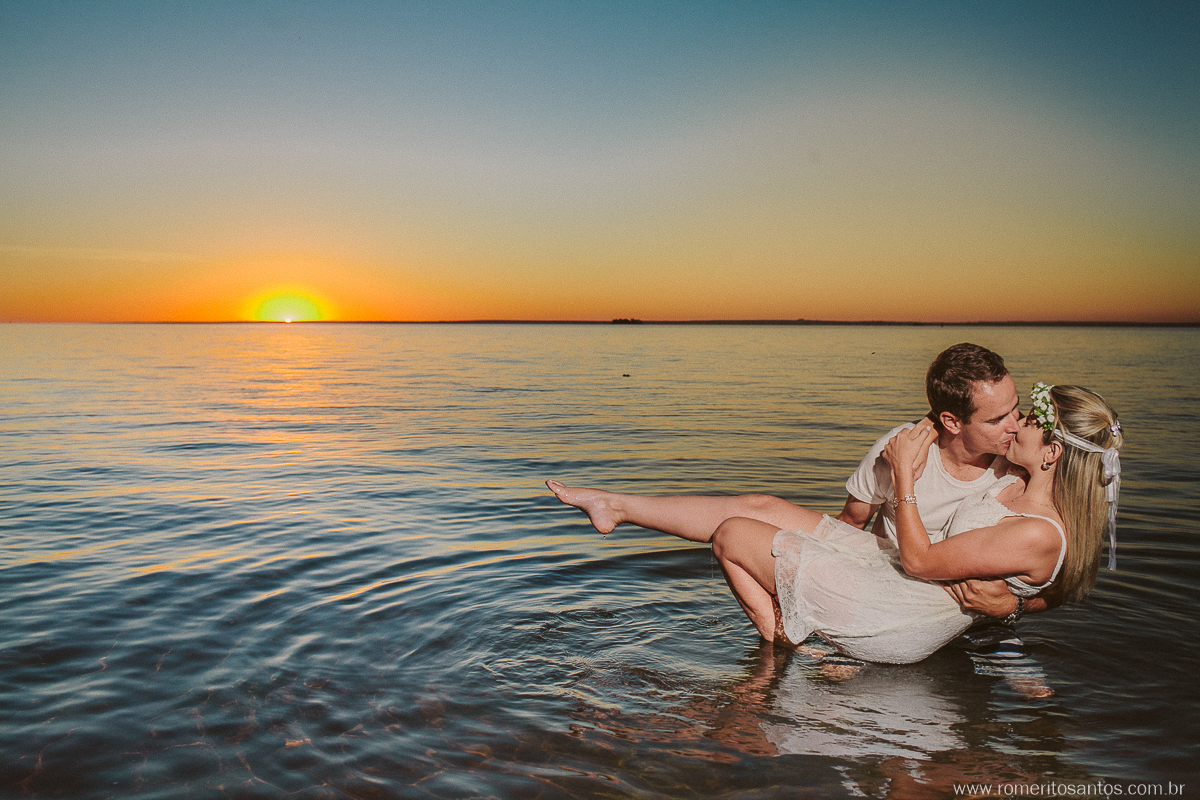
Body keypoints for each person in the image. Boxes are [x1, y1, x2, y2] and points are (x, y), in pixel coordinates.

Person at [548, 343, 1042, 621]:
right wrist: (827, 580)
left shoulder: (1020, 464)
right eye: (999, 418)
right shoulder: (902, 448)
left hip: (959, 610)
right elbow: (852, 521)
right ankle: (616, 505)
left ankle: (785, 635)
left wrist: (1015, 605)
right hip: (890, 576)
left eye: (1015, 409)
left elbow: (1056, 564)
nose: (1016, 425)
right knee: (761, 505)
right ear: (952, 421)